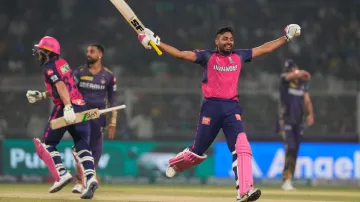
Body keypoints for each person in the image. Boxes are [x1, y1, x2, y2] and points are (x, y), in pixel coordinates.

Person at [137, 24, 302, 202]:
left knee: (243, 148)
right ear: (217, 41)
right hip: (211, 108)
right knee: (196, 152)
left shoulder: (239, 56)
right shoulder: (206, 56)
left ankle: (245, 192)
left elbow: (264, 48)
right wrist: (157, 42)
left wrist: (286, 38)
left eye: (231, 39)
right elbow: (180, 54)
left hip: (232, 108)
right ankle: (176, 164)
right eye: (225, 39)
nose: (229, 42)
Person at [26, 36, 98, 199]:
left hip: (65, 107)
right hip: (80, 104)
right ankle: (91, 177)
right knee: (82, 146)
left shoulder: (48, 68)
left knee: (48, 143)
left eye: (40, 50)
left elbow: (60, 87)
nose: (38, 53)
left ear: (47, 52)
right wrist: (42, 95)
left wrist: (67, 107)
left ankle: (62, 173)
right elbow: (65, 86)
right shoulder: (62, 63)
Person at [71, 44, 117, 193]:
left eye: (92, 51)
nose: (88, 54)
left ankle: (89, 180)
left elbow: (113, 101)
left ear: (100, 54)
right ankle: (79, 181)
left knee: (96, 149)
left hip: (99, 117)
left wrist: (113, 122)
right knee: (82, 147)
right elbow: (69, 91)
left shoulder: (109, 76)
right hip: (81, 116)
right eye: (87, 51)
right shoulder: (79, 72)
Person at [278, 59, 314, 191]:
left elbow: (307, 100)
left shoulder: (302, 85)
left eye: (293, 69)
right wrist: (301, 72)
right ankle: (285, 179)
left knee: (295, 150)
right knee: (291, 148)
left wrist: (310, 114)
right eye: (290, 70)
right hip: (286, 121)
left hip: (298, 122)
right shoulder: (285, 80)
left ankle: (289, 179)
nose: (292, 72)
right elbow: (290, 76)